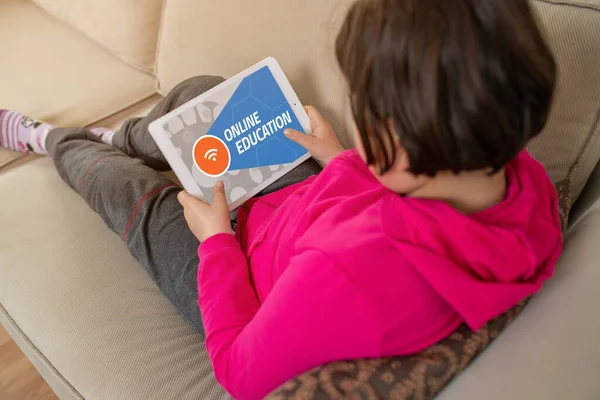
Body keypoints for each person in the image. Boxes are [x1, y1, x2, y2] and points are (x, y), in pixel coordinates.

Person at [0, 0, 563, 398]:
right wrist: (340, 157)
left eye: (370, 112)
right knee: (203, 96)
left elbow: (240, 374)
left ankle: (53, 139)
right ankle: (121, 136)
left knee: (127, 190)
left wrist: (218, 243)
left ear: (404, 149)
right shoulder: (519, 179)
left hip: (244, 274)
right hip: (304, 205)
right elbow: (411, 212)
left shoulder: (346, 276)